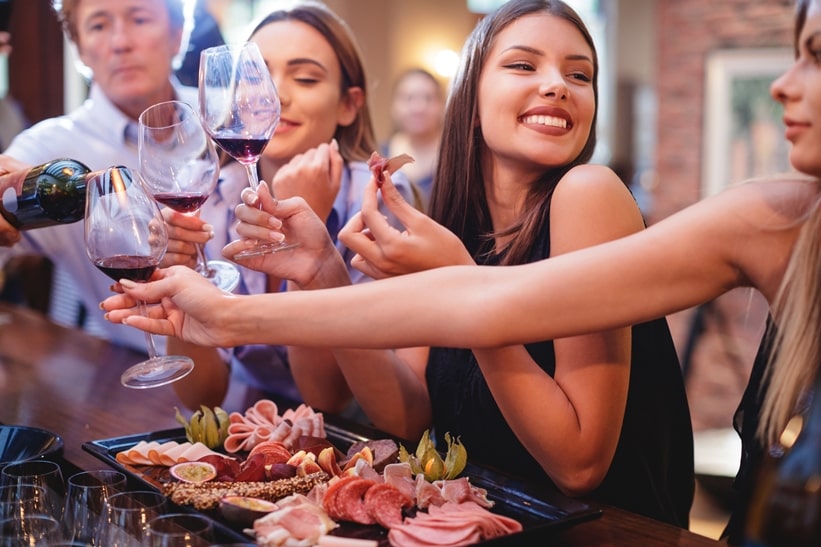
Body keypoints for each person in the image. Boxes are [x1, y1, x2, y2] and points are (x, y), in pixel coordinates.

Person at [102, 0, 821, 541]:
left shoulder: (585, 193)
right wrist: (322, 269)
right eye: (522, 65)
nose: (558, 86)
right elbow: (406, 410)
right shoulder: (454, 223)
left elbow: (577, 466)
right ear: (468, 92)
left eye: (580, 74)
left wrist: (457, 282)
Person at [167, 0, 414, 411]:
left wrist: (309, 232)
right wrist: (178, 279)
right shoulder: (212, 195)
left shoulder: (379, 200)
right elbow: (203, 398)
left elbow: (328, 398)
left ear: (348, 105)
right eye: (254, 75)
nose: (274, 95)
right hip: (251, 432)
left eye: (304, 78)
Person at [0, 0, 198, 352]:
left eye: (138, 19)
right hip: (142, 372)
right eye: (99, 26)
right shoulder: (50, 149)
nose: (120, 42)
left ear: (177, 35)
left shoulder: (220, 120)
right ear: (80, 51)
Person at [380, 68, 445, 209]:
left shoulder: (458, 158)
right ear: (394, 107)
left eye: (428, 98)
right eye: (408, 98)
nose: (418, 107)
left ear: (441, 105)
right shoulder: (379, 156)